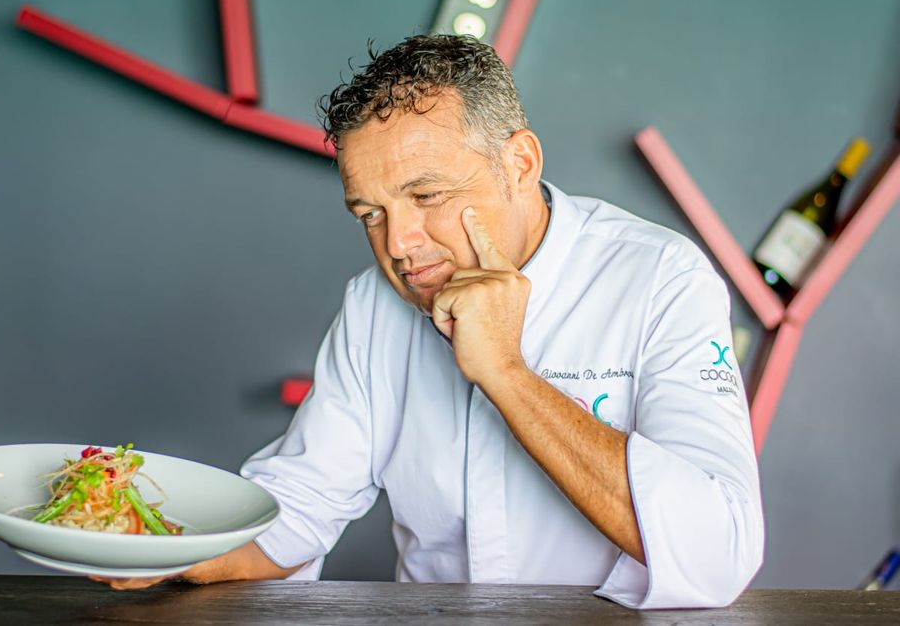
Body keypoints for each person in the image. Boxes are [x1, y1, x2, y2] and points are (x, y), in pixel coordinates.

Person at [96, 34, 764, 609]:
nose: (399, 245)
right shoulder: (374, 303)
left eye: (427, 194)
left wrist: (506, 373)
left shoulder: (660, 277)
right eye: (370, 214)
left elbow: (718, 555)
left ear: (520, 164)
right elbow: (301, 504)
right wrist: (156, 544)